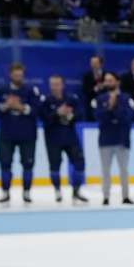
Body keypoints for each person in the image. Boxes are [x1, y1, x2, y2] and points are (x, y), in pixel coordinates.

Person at [0, 63, 40, 205]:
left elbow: (38, 110)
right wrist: (6, 106)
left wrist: (21, 107)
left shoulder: (31, 90)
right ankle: (5, 192)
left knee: (28, 164)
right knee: (5, 163)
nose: (18, 77)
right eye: (15, 75)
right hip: (7, 134)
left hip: (27, 134)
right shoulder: (1, 90)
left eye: (20, 75)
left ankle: (26, 192)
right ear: (10, 75)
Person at [39, 75, 89, 204]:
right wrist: (57, 113)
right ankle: (57, 190)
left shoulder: (71, 99)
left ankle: (76, 191)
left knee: (79, 163)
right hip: (53, 139)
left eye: (57, 84)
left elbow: (80, 113)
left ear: (62, 85)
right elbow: (43, 118)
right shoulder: (46, 101)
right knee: (55, 166)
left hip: (70, 137)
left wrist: (70, 115)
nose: (54, 87)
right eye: (52, 84)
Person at [93, 72, 134, 205]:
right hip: (105, 139)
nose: (108, 83)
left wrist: (114, 109)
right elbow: (99, 118)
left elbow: (127, 118)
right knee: (105, 170)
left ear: (117, 82)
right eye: (106, 80)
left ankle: (125, 196)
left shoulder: (126, 98)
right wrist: (109, 107)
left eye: (111, 80)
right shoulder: (99, 99)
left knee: (124, 170)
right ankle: (106, 197)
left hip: (122, 139)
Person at [80, 55, 105, 121]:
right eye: (92, 63)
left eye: (96, 63)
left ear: (101, 64)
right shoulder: (86, 76)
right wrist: (95, 89)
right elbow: (84, 90)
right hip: (90, 105)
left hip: (105, 105)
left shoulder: (107, 75)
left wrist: (104, 86)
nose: (94, 65)